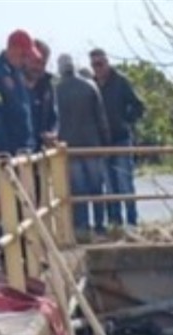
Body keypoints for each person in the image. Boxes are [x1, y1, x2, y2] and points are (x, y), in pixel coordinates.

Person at [54, 53, 112, 240]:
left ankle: (82, 228)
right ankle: (100, 227)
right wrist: (106, 143)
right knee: (96, 188)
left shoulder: (56, 90)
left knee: (78, 190)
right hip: (92, 145)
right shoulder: (90, 86)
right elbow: (101, 118)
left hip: (69, 147)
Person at [88, 48, 145, 226]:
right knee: (110, 186)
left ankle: (132, 222)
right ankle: (115, 224)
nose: (98, 68)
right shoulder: (92, 84)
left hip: (121, 139)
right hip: (102, 142)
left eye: (100, 63)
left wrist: (125, 120)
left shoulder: (121, 81)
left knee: (124, 183)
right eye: (94, 65)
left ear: (107, 62)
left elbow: (139, 106)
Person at [0, 29, 40, 182]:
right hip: (7, 155)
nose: (25, 60)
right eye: (24, 55)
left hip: (23, 152)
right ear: (14, 50)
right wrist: (1, 153)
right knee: (10, 203)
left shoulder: (16, 72)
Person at [24, 39, 58, 150]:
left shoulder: (47, 85)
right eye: (36, 61)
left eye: (43, 63)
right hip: (16, 151)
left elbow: (54, 117)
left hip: (41, 152)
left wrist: (53, 133)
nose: (38, 67)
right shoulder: (10, 83)